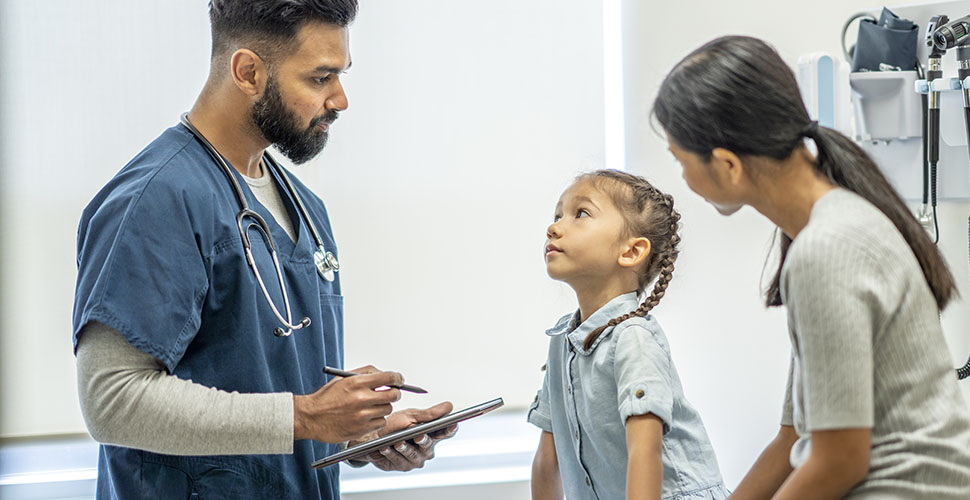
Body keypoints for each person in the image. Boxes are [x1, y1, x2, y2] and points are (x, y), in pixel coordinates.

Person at [72, 1, 454, 498]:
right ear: (248, 71)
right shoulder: (157, 199)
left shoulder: (304, 208)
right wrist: (308, 415)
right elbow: (111, 401)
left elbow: (268, 387)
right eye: (321, 78)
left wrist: (353, 431)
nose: (340, 100)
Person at [652, 36, 970, 499]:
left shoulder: (825, 250)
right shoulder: (832, 225)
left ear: (727, 165)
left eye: (680, 161)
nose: (684, 179)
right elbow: (795, 438)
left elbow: (839, 460)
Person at [528, 170, 729, 500]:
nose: (554, 226)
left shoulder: (633, 338)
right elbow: (547, 463)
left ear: (631, 251)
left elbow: (644, 452)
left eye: (581, 213)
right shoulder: (561, 342)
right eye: (557, 214)